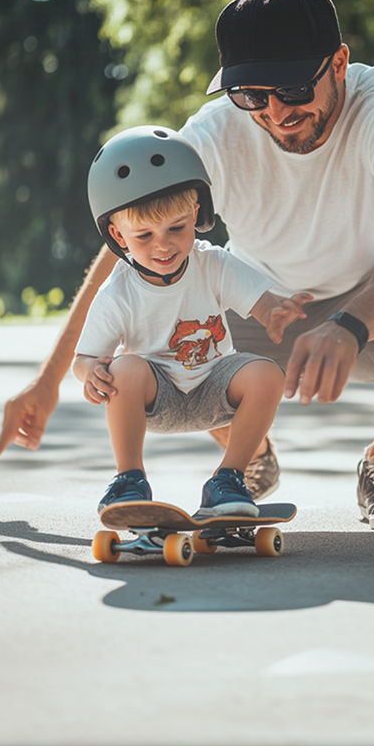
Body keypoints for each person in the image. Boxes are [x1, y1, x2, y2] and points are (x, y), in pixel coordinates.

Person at [0, 0, 374, 531]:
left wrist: (348, 325)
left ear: (339, 62)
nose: (275, 111)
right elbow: (126, 254)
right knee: (160, 311)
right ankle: (248, 460)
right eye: (250, 94)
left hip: (370, 305)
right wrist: (48, 380)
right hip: (254, 307)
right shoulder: (211, 137)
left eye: (294, 88)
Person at [74, 127, 309, 521]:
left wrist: (275, 312)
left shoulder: (212, 263)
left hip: (215, 387)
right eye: (144, 235)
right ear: (118, 235)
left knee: (267, 374)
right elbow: (84, 358)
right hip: (157, 396)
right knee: (124, 367)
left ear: (196, 215)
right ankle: (129, 480)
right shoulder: (118, 291)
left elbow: (261, 302)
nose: (163, 246)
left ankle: (228, 479)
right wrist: (91, 373)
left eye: (176, 229)